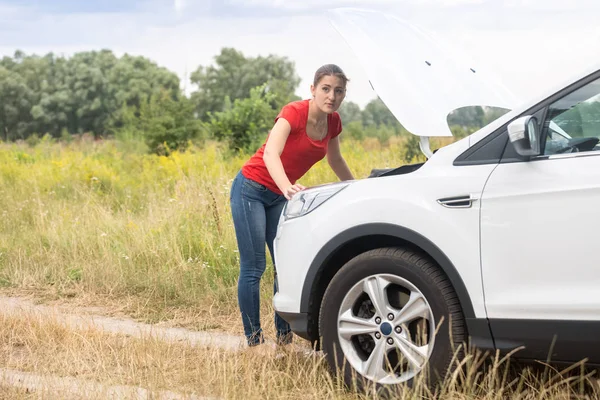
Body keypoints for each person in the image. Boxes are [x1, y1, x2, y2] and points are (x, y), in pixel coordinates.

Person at [230, 64, 355, 349]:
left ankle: (284, 340)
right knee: (254, 267)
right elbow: (272, 152)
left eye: (338, 91)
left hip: (279, 197)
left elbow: (335, 160)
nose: (331, 96)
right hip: (251, 189)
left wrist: (357, 188)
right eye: (325, 89)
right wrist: (286, 185)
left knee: (283, 267)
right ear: (312, 89)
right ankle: (254, 342)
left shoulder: (333, 122)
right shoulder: (293, 113)